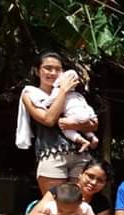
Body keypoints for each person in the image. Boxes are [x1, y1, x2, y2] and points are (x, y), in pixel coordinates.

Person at [16, 51, 99, 195]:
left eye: (58, 69)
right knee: (53, 201)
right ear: (37, 71)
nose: (53, 73)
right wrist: (63, 91)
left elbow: (94, 124)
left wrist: (72, 125)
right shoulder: (30, 94)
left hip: (80, 155)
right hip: (52, 154)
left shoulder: (75, 96)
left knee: (80, 201)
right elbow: (49, 120)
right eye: (48, 68)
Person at [46, 69, 99, 153]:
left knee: (64, 126)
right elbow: (87, 106)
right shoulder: (78, 95)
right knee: (83, 125)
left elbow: (49, 102)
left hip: (74, 116)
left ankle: (82, 141)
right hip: (86, 115)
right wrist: (93, 116)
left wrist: (43, 103)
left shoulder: (58, 91)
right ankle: (92, 137)